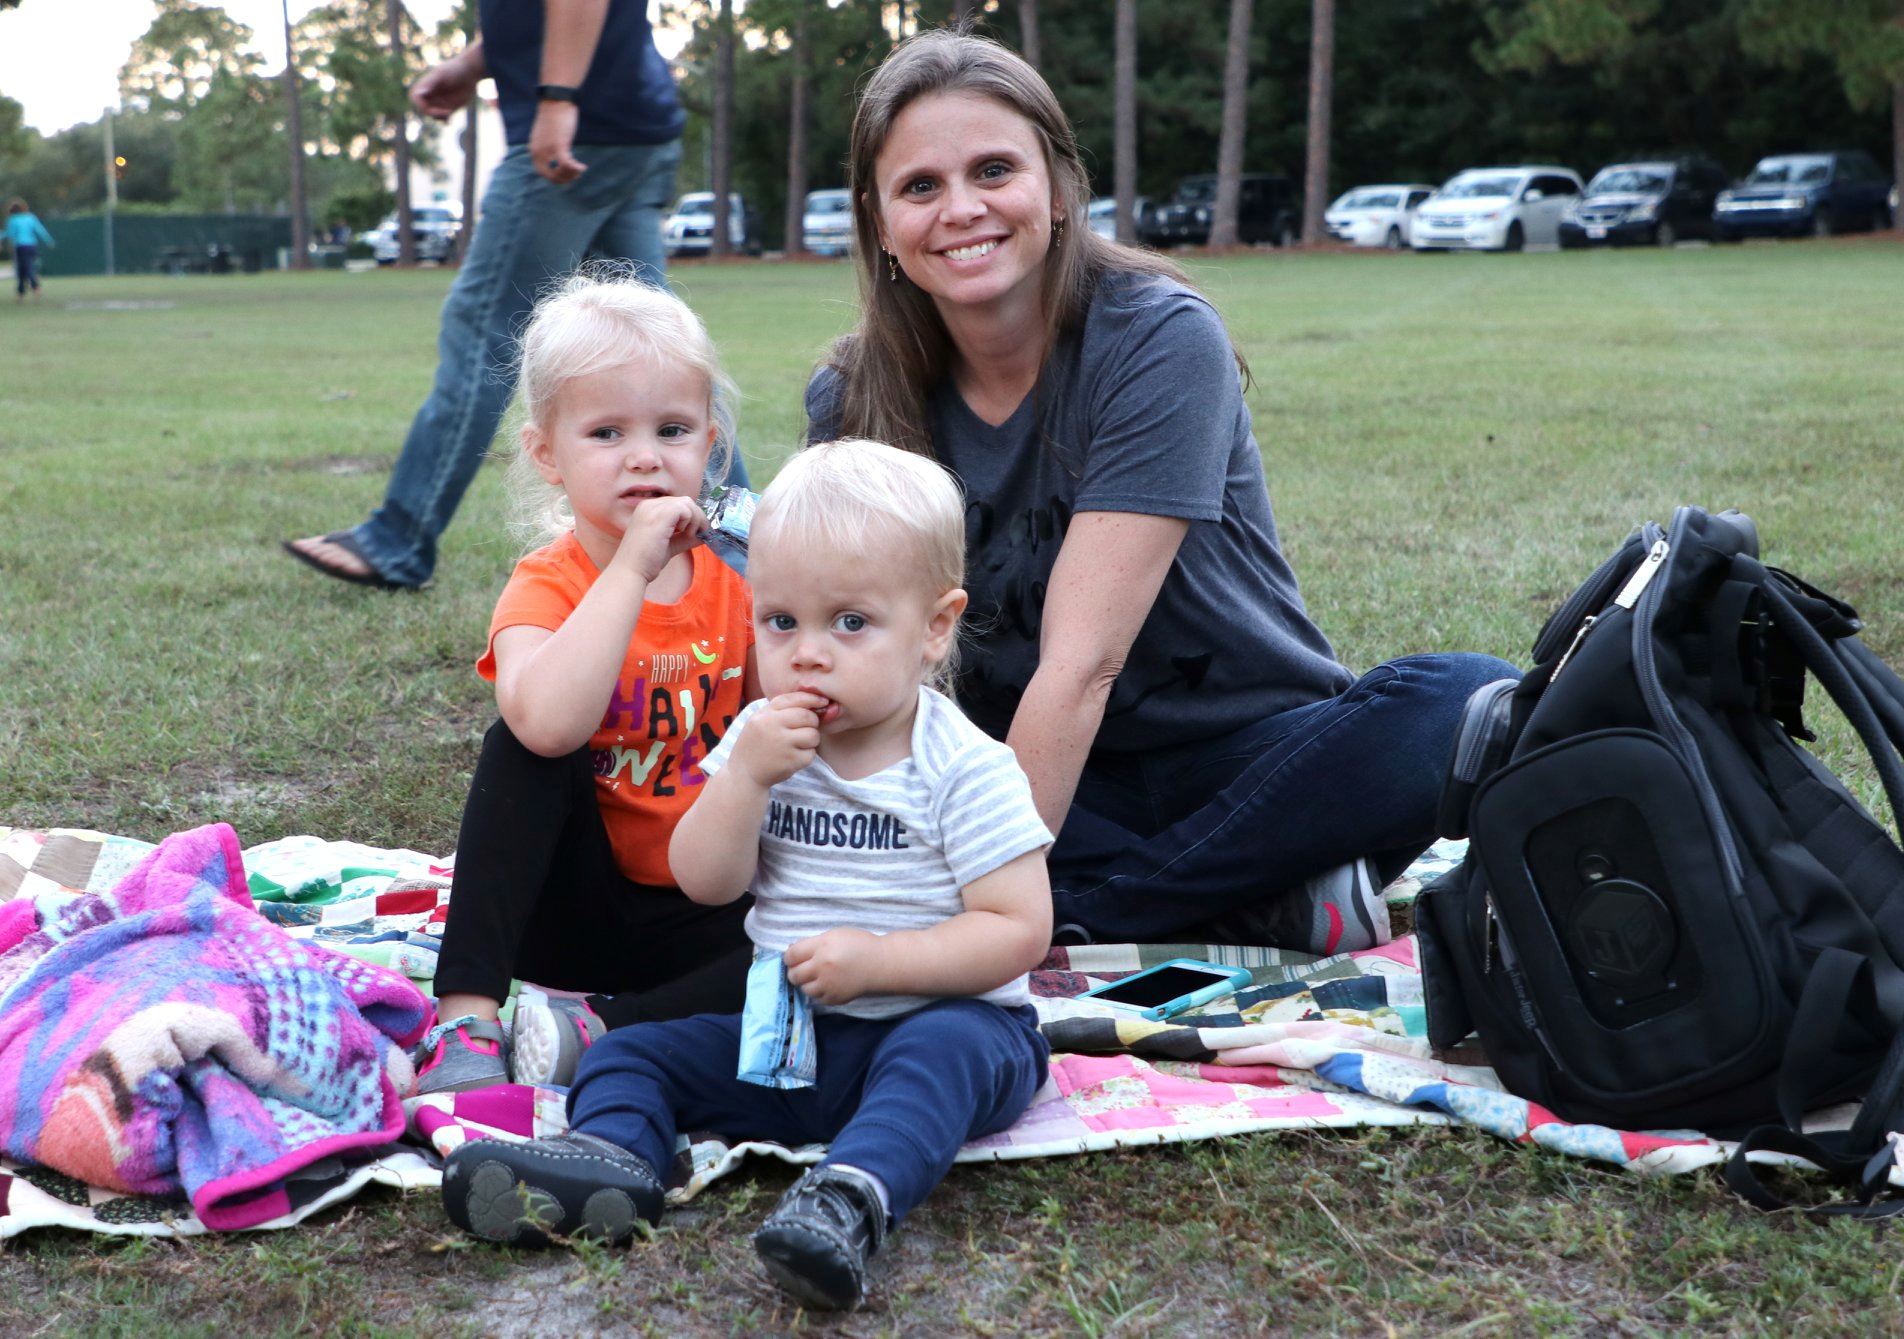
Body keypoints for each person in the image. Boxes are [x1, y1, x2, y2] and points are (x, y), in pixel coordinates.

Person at [806, 31, 1518, 955]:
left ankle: (1082, 914)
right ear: (879, 220)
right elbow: (845, 650)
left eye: (993, 170)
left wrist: (974, 912)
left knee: (1464, 701)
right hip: (1021, 775)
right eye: (920, 187)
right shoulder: (854, 397)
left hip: (1245, 757)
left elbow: (1082, 665)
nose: (962, 209)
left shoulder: (1154, 336)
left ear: (1060, 189)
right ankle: (1251, 895)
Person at [440, 440, 1054, 1313]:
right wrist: (743, 781)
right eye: (780, 622)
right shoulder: (765, 743)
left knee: (936, 1056)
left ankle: (848, 1198)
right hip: (793, 1034)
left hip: (941, 1021)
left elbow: (1016, 928)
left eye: (850, 623)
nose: (807, 654)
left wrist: (880, 964)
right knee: (627, 1053)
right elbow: (705, 882)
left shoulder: (964, 766)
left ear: (935, 626)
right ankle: (616, 1165)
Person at [413, 274, 757, 1096]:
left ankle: (594, 1029)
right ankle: (467, 1016)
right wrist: (634, 567)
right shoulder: (547, 586)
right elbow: (545, 726)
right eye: (606, 431)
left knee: (821, 959)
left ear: (708, 445)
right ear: (548, 455)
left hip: (709, 911)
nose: (644, 455)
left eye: (671, 429)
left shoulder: (742, 581)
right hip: (571, 909)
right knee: (520, 744)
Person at [284, 0, 746, 591]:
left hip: (582, 122)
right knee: (662, 352)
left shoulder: (565, 105)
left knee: (484, 328)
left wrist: (557, 100)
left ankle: (395, 539)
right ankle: (747, 543)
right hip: (635, 121)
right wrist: (476, 63)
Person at [6, 201, 54, 303]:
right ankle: (26, 292)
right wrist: (49, 240)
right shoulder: (31, 217)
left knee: (24, 269)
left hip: (21, 247)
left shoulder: (13, 220)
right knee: (28, 267)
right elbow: (40, 230)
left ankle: (29, 290)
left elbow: (10, 234)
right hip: (32, 246)